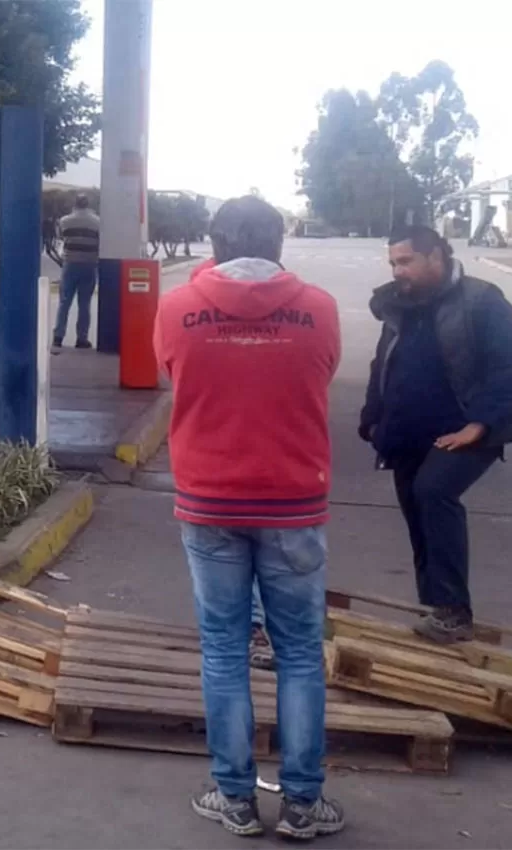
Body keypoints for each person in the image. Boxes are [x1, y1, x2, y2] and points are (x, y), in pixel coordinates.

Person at [154, 195, 344, 840]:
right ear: (280, 243)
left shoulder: (178, 307)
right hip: (294, 501)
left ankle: (233, 796)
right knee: (298, 654)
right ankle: (301, 804)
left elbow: (173, 372)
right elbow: (322, 375)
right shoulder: (319, 309)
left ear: (213, 243)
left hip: (210, 500)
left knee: (225, 649)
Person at [359, 226, 512, 645]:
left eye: (405, 261)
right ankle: (434, 610)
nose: (398, 271)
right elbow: (384, 363)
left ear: (435, 256)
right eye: (393, 263)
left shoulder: (482, 300)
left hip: (465, 431)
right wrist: (372, 418)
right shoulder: (399, 305)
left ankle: (455, 611)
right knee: (418, 517)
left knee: (434, 492)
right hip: (407, 432)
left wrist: (479, 424)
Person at [52, 194, 101, 354]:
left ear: (75, 204)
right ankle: (82, 339)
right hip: (89, 264)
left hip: (70, 264)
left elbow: (60, 237)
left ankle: (58, 337)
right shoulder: (97, 222)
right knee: (84, 303)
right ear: (88, 205)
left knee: (64, 302)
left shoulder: (65, 221)